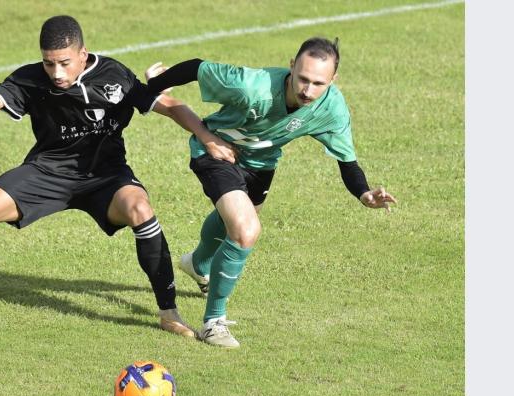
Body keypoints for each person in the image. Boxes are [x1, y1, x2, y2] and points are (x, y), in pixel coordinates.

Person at [0, 15, 231, 339]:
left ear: (83, 54)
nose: (56, 73)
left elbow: (167, 104)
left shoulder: (113, 75)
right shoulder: (30, 80)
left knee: (139, 208)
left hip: (105, 176)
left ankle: (169, 314)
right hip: (48, 171)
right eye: (49, 63)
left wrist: (207, 137)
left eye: (64, 63)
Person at [144, 37, 398, 348]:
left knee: (234, 224)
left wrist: (363, 193)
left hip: (261, 163)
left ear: (333, 80)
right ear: (291, 66)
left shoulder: (331, 107)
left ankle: (198, 264)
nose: (307, 90)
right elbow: (198, 68)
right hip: (216, 150)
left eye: (318, 83)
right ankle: (214, 323)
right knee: (245, 229)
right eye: (302, 78)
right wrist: (156, 85)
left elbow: (348, 161)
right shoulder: (253, 86)